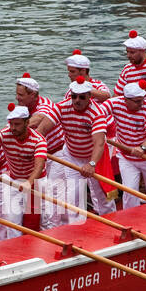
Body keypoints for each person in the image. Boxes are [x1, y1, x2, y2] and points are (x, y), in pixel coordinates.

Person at [0, 103, 48, 241]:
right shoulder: (4, 134)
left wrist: (29, 182)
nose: (13, 128)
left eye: (17, 124)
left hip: (37, 182)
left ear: (27, 123)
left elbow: (39, 167)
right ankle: (16, 251)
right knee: (12, 221)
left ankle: (43, 246)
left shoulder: (39, 140)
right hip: (15, 181)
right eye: (11, 124)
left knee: (44, 220)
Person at [50, 77, 114, 215]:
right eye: (74, 96)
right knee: (74, 197)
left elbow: (99, 143)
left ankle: (112, 219)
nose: (77, 100)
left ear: (90, 97)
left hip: (96, 157)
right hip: (73, 156)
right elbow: (43, 128)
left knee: (105, 195)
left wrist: (91, 164)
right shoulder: (61, 107)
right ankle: (77, 228)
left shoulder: (97, 113)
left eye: (81, 97)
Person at [20, 73, 69, 229]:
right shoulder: (23, 109)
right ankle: (50, 225)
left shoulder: (45, 106)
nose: (17, 98)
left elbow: (37, 120)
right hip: (42, 156)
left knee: (52, 193)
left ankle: (52, 229)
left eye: (21, 95)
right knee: (42, 193)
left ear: (33, 95)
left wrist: (13, 130)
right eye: (17, 94)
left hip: (58, 154)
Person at [109, 81, 146, 198]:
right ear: (126, 100)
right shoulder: (114, 103)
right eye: (137, 101)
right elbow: (97, 114)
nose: (141, 103)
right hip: (126, 157)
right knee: (130, 192)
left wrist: (142, 147)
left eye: (142, 99)